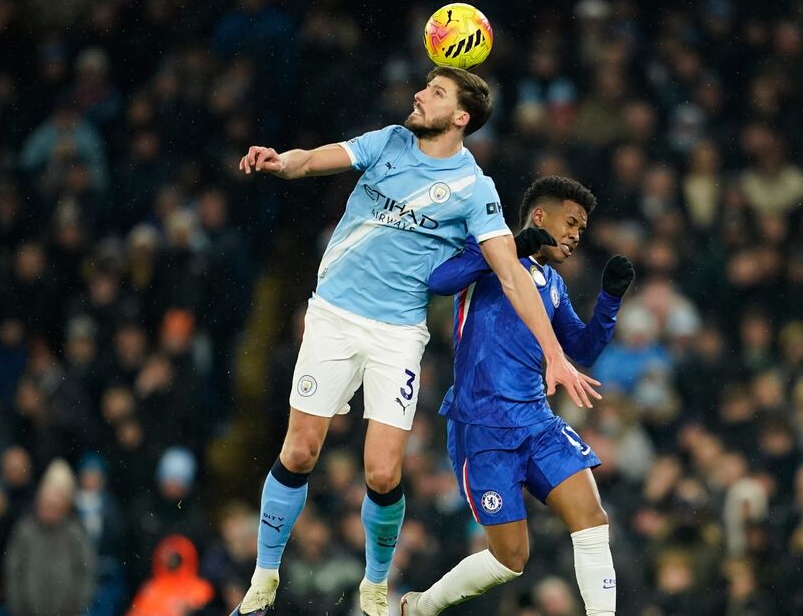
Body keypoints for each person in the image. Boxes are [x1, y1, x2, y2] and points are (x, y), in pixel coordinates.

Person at [232, 68, 600, 616]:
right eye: (425, 86)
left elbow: (512, 275)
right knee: (300, 449)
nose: (419, 95)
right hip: (334, 315)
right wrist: (280, 160)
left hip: (398, 333)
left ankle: (375, 589)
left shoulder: (476, 189)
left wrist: (554, 354)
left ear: (460, 117)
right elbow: (312, 159)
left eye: (435, 92)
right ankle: (263, 582)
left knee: (382, 471)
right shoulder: (388, 142)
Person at [402, 175, 634, 616]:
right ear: (539, 216)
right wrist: (509, 249)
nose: (575, 237)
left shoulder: (552, 284)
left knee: (592, 521)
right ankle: (419, 608)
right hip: (483, 427)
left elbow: (581, 350)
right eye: (571, 223)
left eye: (582, 230)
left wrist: (609, 300)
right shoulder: (488, 252)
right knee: (510, 559)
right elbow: (439, 280)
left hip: (538, 422)